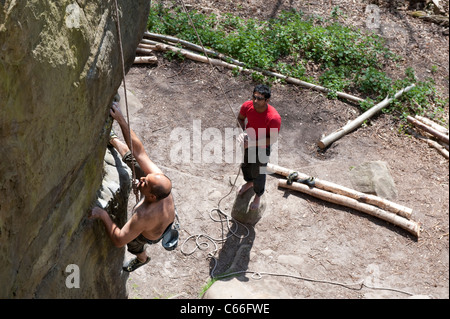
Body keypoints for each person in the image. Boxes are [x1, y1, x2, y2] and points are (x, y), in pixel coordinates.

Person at [90, 101, 177, 272]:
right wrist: (121, 119)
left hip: (149, 234)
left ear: (151, 196)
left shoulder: (143, 216)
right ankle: (113, 139)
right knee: (134, 162)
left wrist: (102, 215)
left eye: (145, 182)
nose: (142, 178)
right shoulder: (159, 181)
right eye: (146, 178)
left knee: (134, 245)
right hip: (161, 213)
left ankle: (142, 259)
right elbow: (140, 153)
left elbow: (119, 240)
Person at [237, 84, 281, 210]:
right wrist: (243, 132)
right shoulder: (247, 105)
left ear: (267, 100)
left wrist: (252, 143)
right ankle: (249, 182)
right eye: (254, 97)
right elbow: (240, 119)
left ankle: (258, 195)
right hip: (249, 138)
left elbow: (272, 139)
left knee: (259, 171)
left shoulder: (274, 117)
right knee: (246, 164)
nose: (255, 101)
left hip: (263, 144)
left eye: (260, 99)